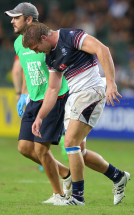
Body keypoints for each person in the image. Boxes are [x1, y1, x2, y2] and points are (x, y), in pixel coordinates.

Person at [22, 22, 130, 206]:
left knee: (70, 143)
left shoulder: (71, 37)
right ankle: (118, 176)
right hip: (74, 97)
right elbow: (53, 89)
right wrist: (40, 116)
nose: (37, 52)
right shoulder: (50, 57)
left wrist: (111, 83)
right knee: (80, 152)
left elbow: (102, 49)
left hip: (91, 92)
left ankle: (77, 198)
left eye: (36, 48)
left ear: (43, 38)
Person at [4, 3, 72, 204]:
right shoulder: (18, 43)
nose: (12, 21)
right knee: (24, 148)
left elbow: (60, 70)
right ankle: (65, 172)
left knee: (41, 149)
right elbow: (26, 69)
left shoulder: (49, 40)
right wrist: (23, 94)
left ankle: (59, 194)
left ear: (29, 19)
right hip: (33, 99)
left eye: (16, 17)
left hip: (53, 98)